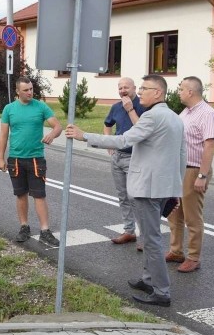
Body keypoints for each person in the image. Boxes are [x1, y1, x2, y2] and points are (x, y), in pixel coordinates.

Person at [65, 75, 186, 307]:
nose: (140, 92)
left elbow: (124, 141)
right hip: (162, 187)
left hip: (147, 189)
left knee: (151, 241)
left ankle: (161, 291)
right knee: (151, 236)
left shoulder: (152, 117)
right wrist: (175, 189)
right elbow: (181, 155)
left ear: (158, 93)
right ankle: (148, 280)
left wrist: (85, 136)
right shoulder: (174, 118)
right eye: (139, 88)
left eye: (144, 89)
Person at [0, 76, 62, 247]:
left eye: (31, 89)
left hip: (35, 159)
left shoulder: (40, 107)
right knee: (20, 195)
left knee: (39, 195)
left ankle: (45, 231)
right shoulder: (9, 109)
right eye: (26, 90)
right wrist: (0, 158)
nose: (30, 92)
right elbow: (3, 135)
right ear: (17, 91)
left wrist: (51, 134)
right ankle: (24, 227)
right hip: (16, 159)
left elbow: (58, 126)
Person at [166, 76, 214, 273]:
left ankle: (194, 257)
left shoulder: (207, 114)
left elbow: (210, 145)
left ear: (190, 92)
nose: (179, 92)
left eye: (181, 89)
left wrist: (202, 175)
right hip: (180, 169)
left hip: (194, 169)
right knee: (174, 212)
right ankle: (176, 251)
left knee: (192, 216)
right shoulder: (186, 112)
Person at [103, 77, 145, 246]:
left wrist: (130, 109)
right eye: (120, 88)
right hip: (118, 157)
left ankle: (144, 237)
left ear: (134, 88)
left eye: (126, 87)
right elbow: (107, 124)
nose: (123, 91)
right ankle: (129, 231)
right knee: (122, 196)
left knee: (135, 197)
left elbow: (143, 129)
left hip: (135, 157)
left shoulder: (143, 106)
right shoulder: (115, 107)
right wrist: (108, 141)